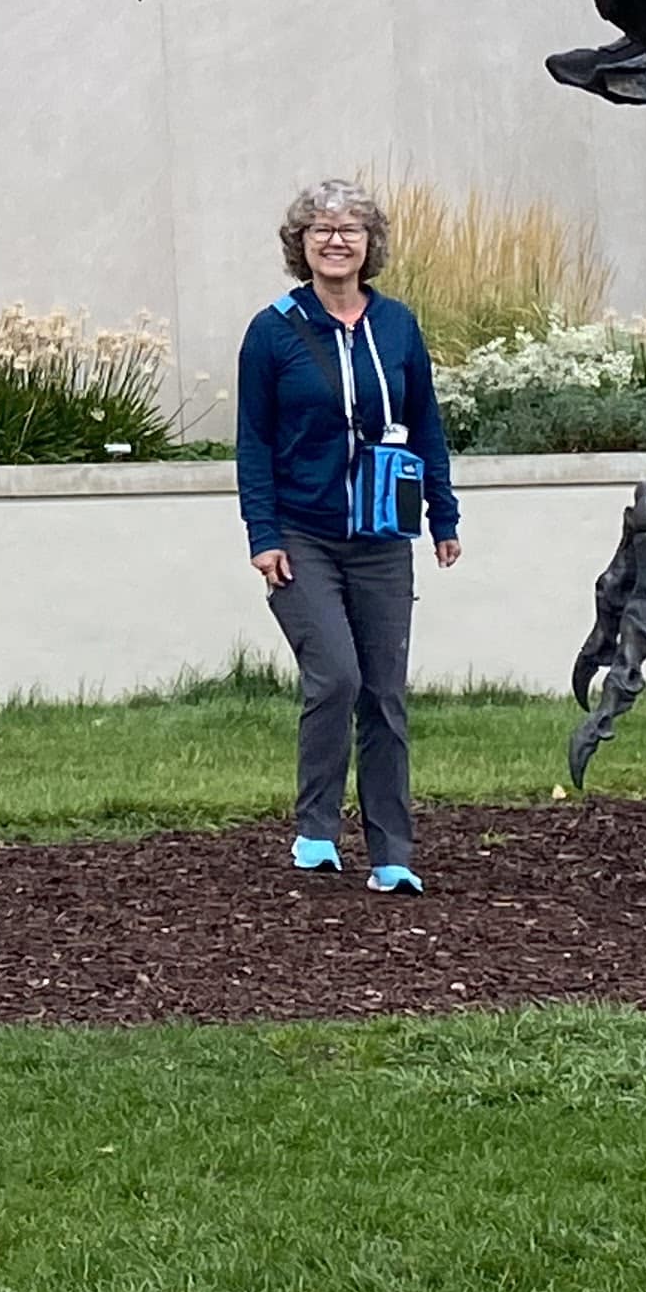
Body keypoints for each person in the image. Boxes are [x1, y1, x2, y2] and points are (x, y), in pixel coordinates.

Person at [238, 179, 462, 891]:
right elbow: (253, 441)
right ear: (300, 245)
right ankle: (316, 830)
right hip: (303, 534)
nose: (336, 240)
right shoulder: (273, 330)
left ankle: (392, 853)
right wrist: (263, 533)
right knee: (336, 675)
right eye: (321, 230)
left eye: (351, 230)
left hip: (383, 534)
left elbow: (425, 422)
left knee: (386, 695)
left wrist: (443, 515)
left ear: (371, 245)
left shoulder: (396, 325)